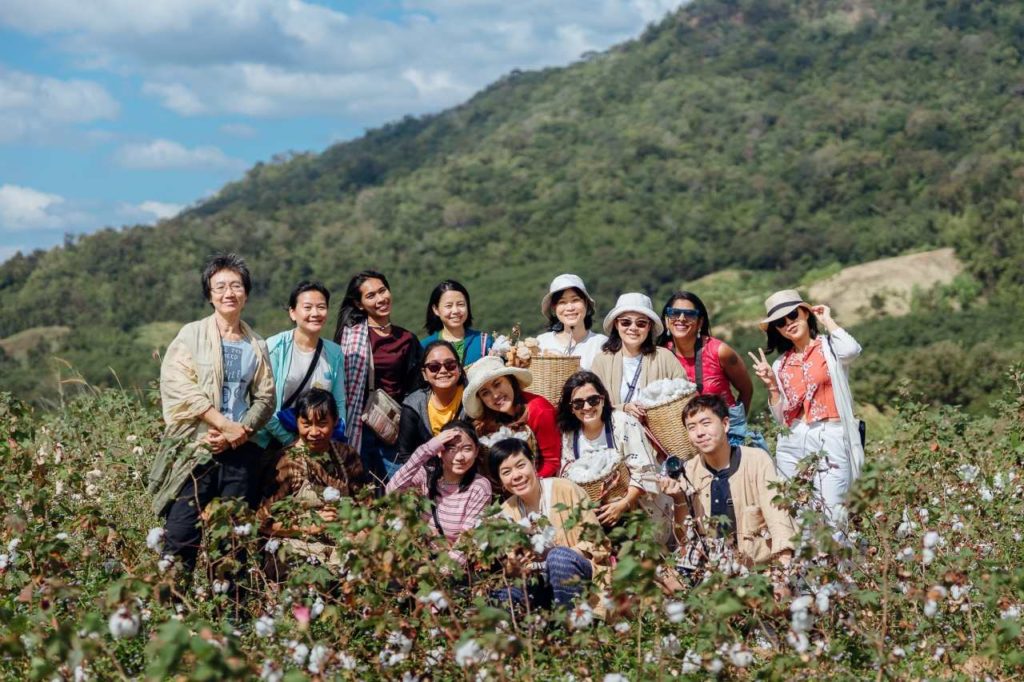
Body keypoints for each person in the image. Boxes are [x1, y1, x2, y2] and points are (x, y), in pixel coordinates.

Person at [149, 253, 276, 594]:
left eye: (236, 285)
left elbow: (266, 397)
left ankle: (229, 617)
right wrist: (221, 424)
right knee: (181, 534)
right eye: (220, 286)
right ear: (209, 294)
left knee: (231, 538)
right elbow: (178, 384)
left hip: (239, 454)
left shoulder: (256, 344)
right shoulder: (190, 336)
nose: (228, 293)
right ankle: (170, 612)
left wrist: (241, 432)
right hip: (198, 450)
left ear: (246, 293)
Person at [747, 290, 863, 530]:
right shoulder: (781, 364)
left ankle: (841, 567)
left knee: (833, 512)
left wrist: (827, 320)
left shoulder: (830, 348)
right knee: (799, 514)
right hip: (793, 440)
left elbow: (851, 351)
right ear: (777, 330)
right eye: (780, 322)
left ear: (805, 313)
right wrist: (771, 386)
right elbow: (782, 418)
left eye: (792, 315)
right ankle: (809, 567)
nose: (788, 323)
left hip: (830, 433)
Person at [658, 394, 795, 572]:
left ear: (725, 424)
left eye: (706, 424)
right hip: (710, 567)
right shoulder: (689, 470)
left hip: (755, 565)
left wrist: (783, 562)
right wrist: (678, 498)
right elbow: (684, 539)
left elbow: (776, 513)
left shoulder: (756, 460)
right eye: (692, 427)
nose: (699, 432)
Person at [258, 389, 366, 581]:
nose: (314, 432)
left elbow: (366, 507)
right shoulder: (286, 461)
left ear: (335, 422)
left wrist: (355, 529)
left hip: (341, 544)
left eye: (322, 424)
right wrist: (308, 526)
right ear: (297, 422)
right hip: (297, 546)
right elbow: (263, 523)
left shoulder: (347, 455)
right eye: (306, 424)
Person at [490, 438, 610, 609]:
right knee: (500, 595)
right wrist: (516, 565)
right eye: (506, 472)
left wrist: (558, 559)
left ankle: (572, 627)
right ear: (500, 480)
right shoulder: (505, 512)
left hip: (581, 575)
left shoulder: (565, 489)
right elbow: (510, 571)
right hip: (538, 582)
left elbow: (598, 542)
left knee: (558, 557)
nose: (516, 476)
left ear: (533, 463)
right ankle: (529, 631)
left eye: (520, 465)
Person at [555, 371, 673, 541]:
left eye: (593, 400)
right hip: (594, 514)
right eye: (578, 403)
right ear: (571, 408)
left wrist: (622, 504)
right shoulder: (569, 434)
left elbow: (645, 470)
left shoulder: (623, 423)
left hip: (635, 510)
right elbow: (567, 476)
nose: (587, 407)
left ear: (603, 399)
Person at [334, 270, 423, 482]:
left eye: (382, 291)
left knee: (398, 488)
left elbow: (416, 386)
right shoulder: (349, 338)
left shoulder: (407, 339)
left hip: (393, 428)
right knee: (359, 487)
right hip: (358, 426)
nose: (380, 299)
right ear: (359, 304)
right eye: (371, 295)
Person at [658, 290, 766, 449]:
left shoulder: (719, 351)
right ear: (667, 320)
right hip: (685, 442)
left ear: (700, 322)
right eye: (674, 313)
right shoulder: (660, 355)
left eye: (689, 314)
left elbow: (746, 389)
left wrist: (734, 427)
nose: (681, 318)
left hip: (727, 437)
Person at [256, 281, 347, 451]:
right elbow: (264, 405)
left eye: (321, 307)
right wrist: (292, 441)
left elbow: (339, 403)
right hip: (274, 442)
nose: (315, 313)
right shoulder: (275, 347)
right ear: (292, 312)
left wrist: (335, 439)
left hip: (317, 442)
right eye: (307, 307)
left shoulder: (334, 353)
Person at [386, 420, 492, 557]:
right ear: (439, 451)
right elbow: (392, 491)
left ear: (476, 451)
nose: (459, 457)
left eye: (467, 449)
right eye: (451, 449)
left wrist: (439, 574)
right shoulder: (427, 475)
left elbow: (466, 541)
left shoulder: (479, 487)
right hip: (421, 560)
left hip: (451, 570)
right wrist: (427, 449)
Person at [462, 356, 562, 478]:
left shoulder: (539, 411)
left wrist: (524, 486)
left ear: (510, 380)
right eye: (485, 393)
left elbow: (551, 462)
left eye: (497, 384)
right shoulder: (489, 419)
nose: (495, 395)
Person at [591, 293, 684, 420]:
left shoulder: (665, 357)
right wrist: (623, 408)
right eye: (625, 322)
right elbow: (593, 403)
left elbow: (684, 395)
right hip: (616, 437)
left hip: (657, 437)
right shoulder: (601, 361)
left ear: (649, 326)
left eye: (641, 323)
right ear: (616, 325)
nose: (633, 328)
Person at [397, 339, 466, 464]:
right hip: (428, 476)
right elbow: (405, 455)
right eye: (434, 367)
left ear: (459, 369)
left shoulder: (472, 397)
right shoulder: (413, 405)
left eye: (450, 365)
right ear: (424, 374)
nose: (443, 370)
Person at [535, 274, 608, 370]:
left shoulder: (601, 344)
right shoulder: (542, 343)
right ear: (554, 307)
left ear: (586, 303)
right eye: (562, 302)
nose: (570, 308)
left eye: (575, 300)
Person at [420, 280, 492, 366]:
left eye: (461, 304)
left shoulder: (483, 342)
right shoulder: (424, 346)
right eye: (449, 306)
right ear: (436, 309)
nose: (455, 311)